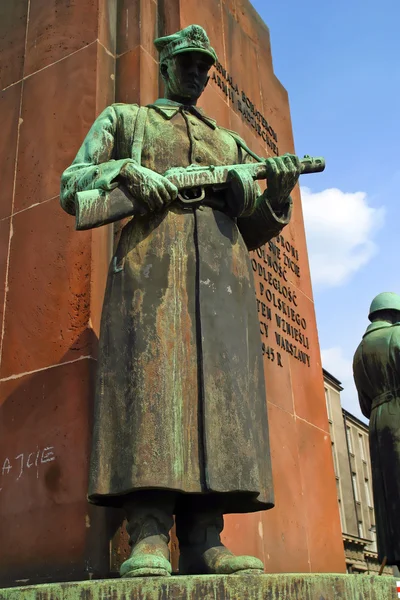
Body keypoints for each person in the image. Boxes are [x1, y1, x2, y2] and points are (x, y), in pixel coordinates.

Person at [60, 24, 301, 577]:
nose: (197, 74)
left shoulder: (231, 143)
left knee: (218, 400)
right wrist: (127, 169)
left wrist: (279, 196)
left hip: (224, 279)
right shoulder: (127, 120)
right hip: (151, 270)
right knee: (152, 390)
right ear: (165, 64)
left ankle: (205, 537)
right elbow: (72, 186)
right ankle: (147, 533)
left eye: (204, 67)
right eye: (187, 63)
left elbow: (256, 228)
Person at [353, 292, 400, 570]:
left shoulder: (359, 353)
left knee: (388, 492)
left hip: (377, 422)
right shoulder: (397, 336)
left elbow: (363, 404)